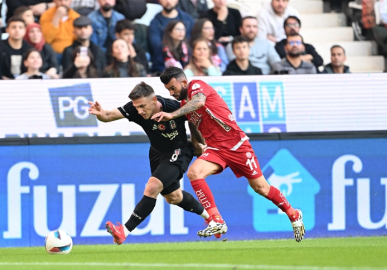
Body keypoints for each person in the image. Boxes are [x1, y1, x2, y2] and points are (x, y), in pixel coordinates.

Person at [152, 66, 305, 242]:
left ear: (184, 82)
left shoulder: (197, 86)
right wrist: (198, 145)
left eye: (173, 88)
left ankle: (293, 214)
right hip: (215, 148)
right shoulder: (183, 105)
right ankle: (216, 220)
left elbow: (199, 102)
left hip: (237, 145)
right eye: (168, 90)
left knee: (261, 188)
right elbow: (193, 126)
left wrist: (171, 115)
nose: (172, 93)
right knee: (194, 173)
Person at [87, 81, 210, 245]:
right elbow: (109, 116)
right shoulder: (135, 109)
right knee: (173, 197)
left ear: (154, 100)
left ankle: (123, 231)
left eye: (142, 106)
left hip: (179, 151)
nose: (139, 111)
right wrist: (101, 114)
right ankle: (212, 220)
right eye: (136, 107)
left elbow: (194, 118)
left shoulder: (173, 106)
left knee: (152, 186)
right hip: (157, 153)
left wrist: (198, 144)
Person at [149, 0, 194, 73]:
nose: (168, 2)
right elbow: (155, 46)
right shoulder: (155, 22)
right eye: (177, 29)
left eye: (182, 29)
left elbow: (194, 41)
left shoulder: (188, 19)